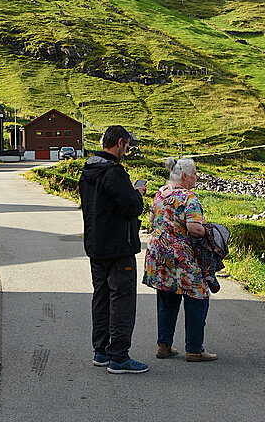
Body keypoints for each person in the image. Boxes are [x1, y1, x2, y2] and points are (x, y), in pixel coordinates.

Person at [79, 125, 149, 374]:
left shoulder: (87, 172)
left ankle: (101, 351)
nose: (127, 151)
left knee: (101, 296)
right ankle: (119, 356)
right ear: (119, 143)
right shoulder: (114, 172)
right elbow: (131, 207)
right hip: (119, 247)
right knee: (122, 299)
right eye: (127, 146)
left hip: (95, 245)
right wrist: (137, 194)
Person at [143, 156, 217, 362]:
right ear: (184, 176)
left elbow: (151, 220)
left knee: (167, 298)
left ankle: (164, 346)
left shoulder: (160, 193)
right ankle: (194, 349)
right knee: (198, 297)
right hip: (182, 257)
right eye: (194, 174)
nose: (196, 177)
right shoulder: (188, 197)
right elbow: (194, 229)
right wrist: (209, 232)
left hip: (158, 255)